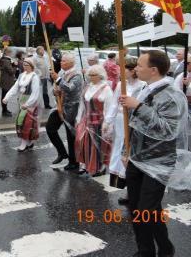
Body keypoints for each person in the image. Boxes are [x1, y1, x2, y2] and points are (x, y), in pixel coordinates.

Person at [119, 50, 188, 257]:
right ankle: (163, 248)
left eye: (139, 65)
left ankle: (146, 251)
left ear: (153, 70)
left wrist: (138, 106)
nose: (135, 68)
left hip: (158, 163)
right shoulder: (144, 88)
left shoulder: (172, 95)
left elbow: (167, 130)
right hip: (137, 159)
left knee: (145, 210)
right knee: (140, 207)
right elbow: (133, 125)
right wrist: (126, 151)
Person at [104, 57, 145, 204]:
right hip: (120, 123)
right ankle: (127, 189)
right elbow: (114, 105)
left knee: (131, 155)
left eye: (123, 69)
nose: (120, 72)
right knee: (120, 153)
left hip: (134, 124)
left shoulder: (143, 86)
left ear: (133, 70)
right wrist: (108, 121)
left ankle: (132, 192)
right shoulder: (121, 84)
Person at [46, 53, 84, 170]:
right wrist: (55, 91)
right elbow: (57, 88)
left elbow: (69, 88)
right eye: (61, 61)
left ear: (71, 63)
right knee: (50, 128)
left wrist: (57, 79)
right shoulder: (62, 73)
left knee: (71, 135)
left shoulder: (77, 75)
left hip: (72, 108)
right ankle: (62, 153)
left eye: (63, 61)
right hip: (60, 106)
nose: (61, 63)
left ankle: (74, 162)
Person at [74, 65, 114, 176]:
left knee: (98, 145)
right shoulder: (87, 87)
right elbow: (82, 104)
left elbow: (109, 107)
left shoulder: (106, 89)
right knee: (82, 142)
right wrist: (78, 118)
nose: (91, 77)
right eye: (90, 75)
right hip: (86, 120)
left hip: (99, 122)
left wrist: (107, 124)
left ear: (100, 75)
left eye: (93, 75)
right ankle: (85, 164)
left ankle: (100, 167)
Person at [3, 57, 42, 152]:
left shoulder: (34, 77)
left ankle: (25, 143)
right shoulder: (21, 76)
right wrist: (7, 97)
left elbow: (35, 93)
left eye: (27, 65)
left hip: (30, 103)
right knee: (21, 122)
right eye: (24, 64)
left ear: (32, 66)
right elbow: (15, 87)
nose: (24, 66)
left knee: (27, 123)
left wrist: (28, 104)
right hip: (21, 101)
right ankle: (29, 141)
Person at [173, 55, 191, 150]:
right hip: (183, 106)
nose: (185, 65)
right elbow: (175, 89)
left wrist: (188, 85)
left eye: (187, 63)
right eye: (185, 63)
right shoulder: (182, 75)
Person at [0, 47, 16, 117]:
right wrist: (15, 65)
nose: (12, 54)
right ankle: (4, 111)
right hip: (6, 80)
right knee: (5, 96)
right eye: (11, 53)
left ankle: (5, 109)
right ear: (7, 53)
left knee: (4, 95)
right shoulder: (6, 61)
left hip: (5, 80)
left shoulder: (4, 60)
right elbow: (11, 71)